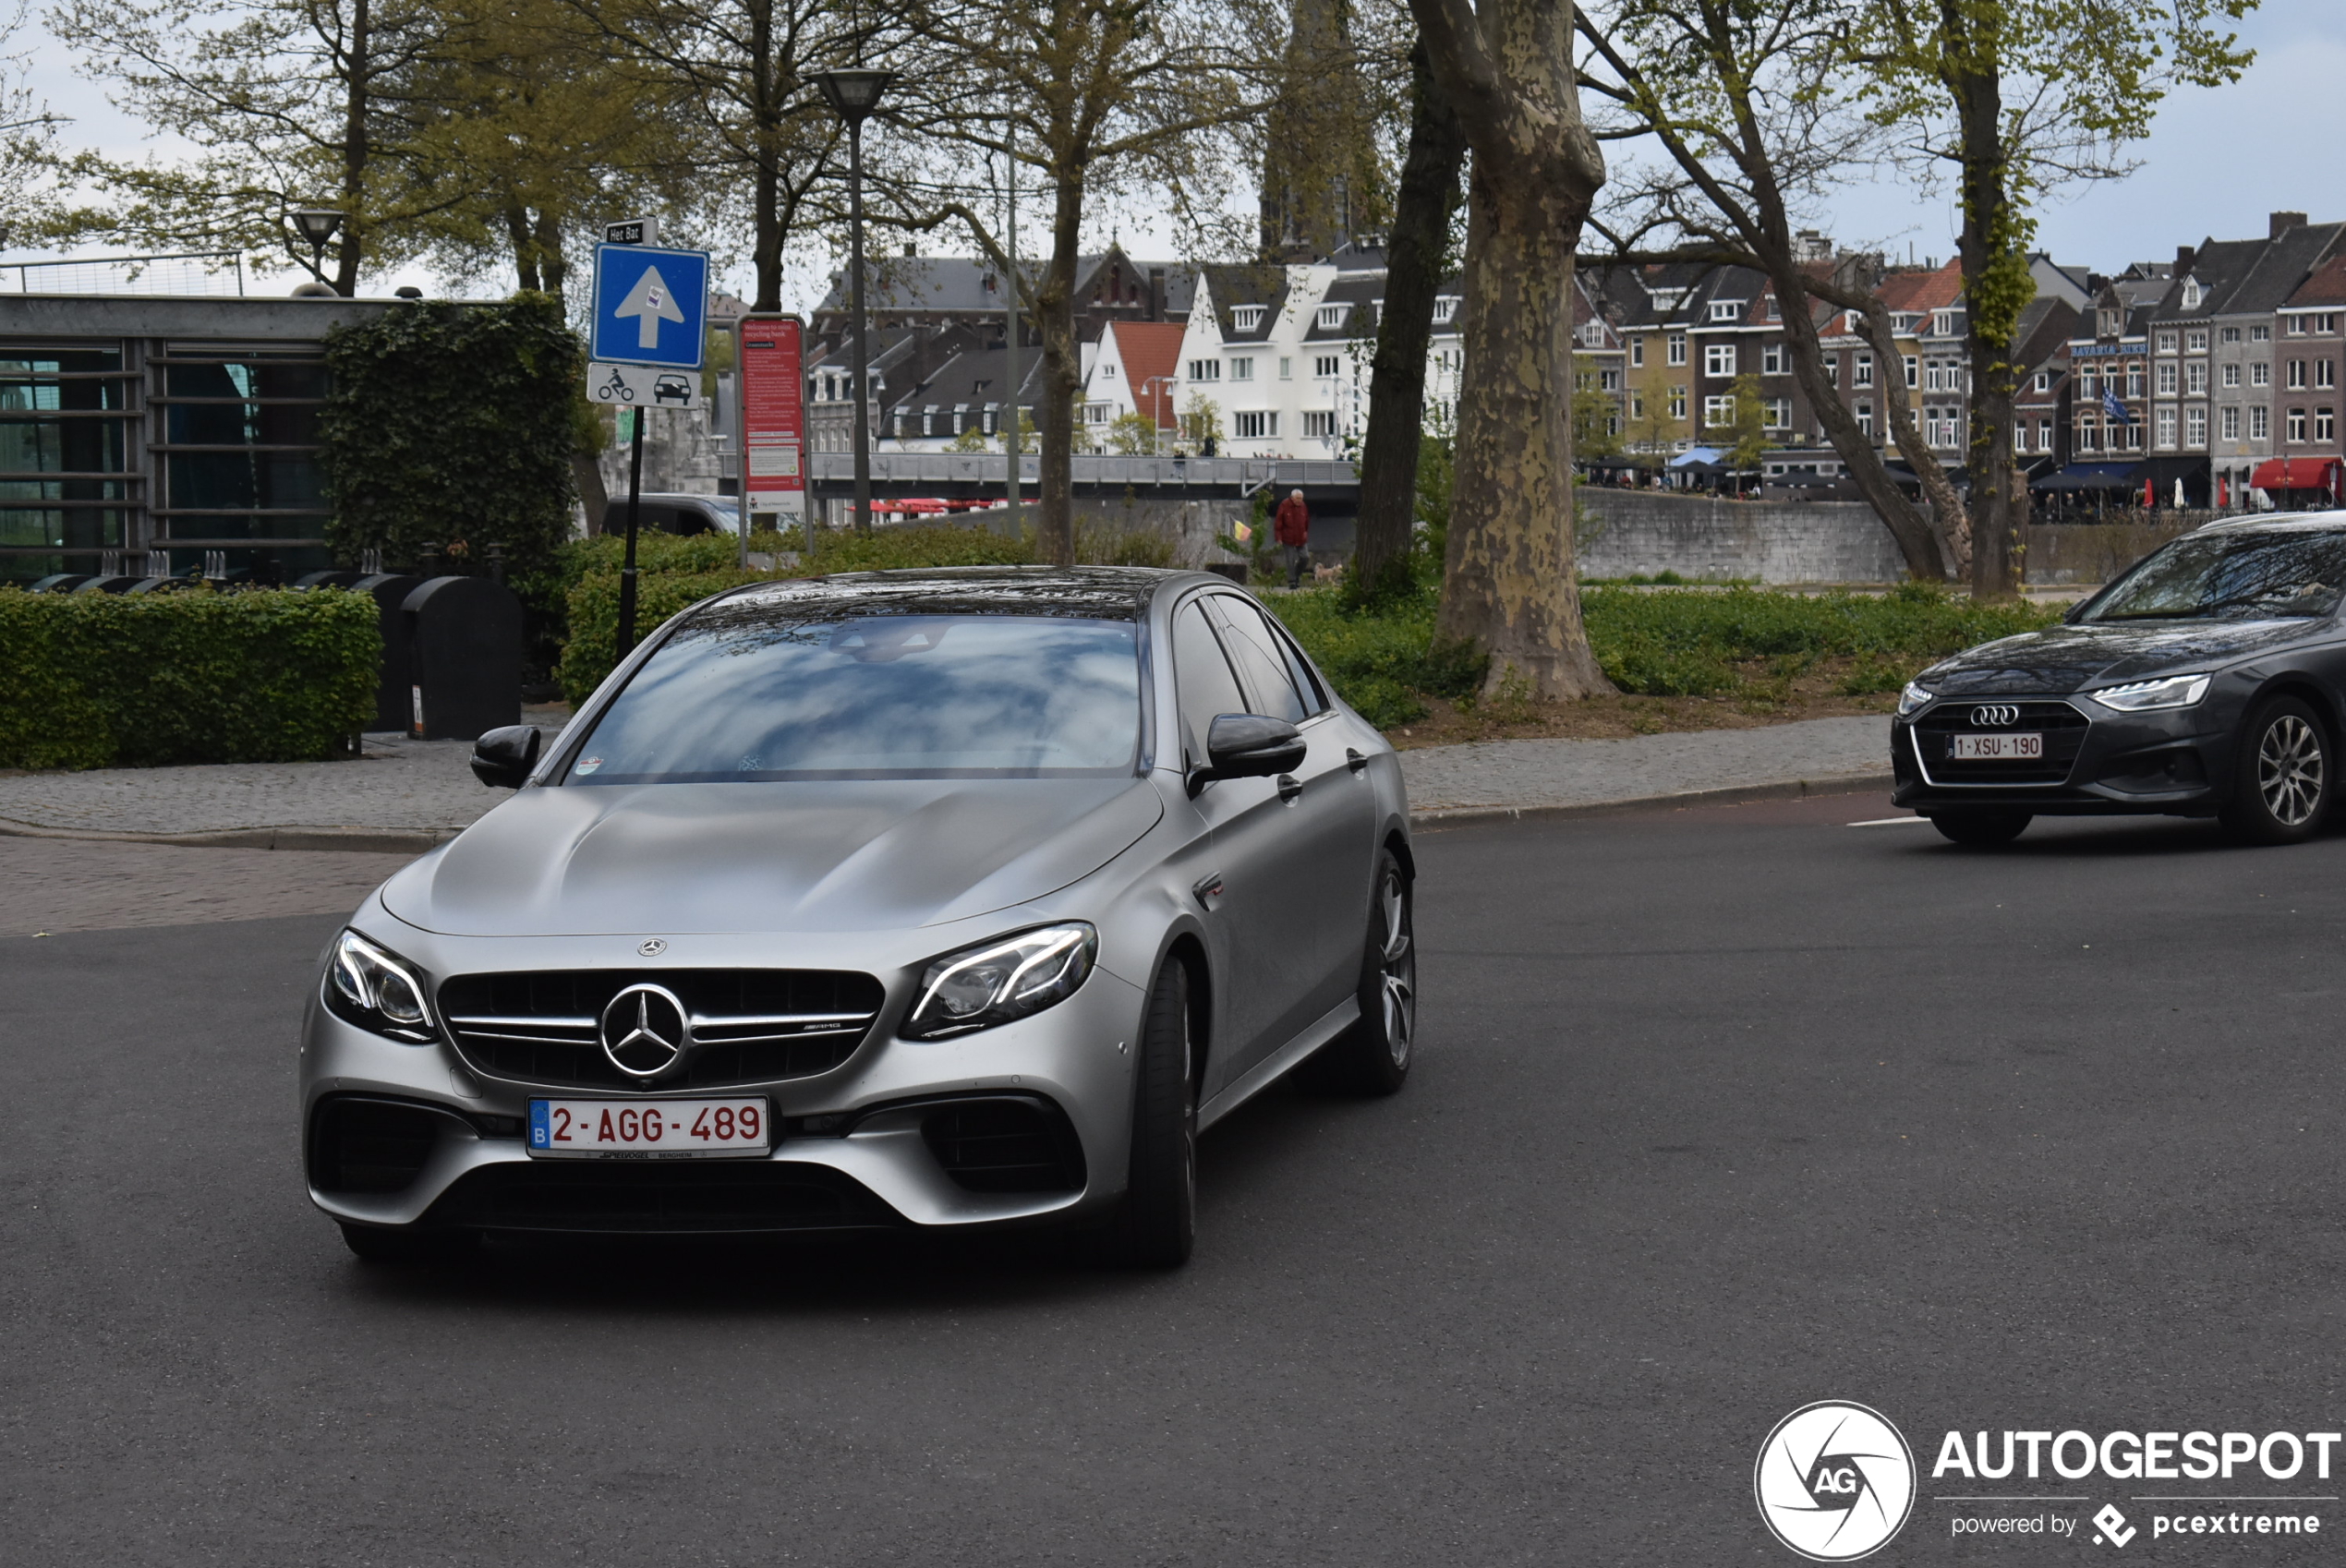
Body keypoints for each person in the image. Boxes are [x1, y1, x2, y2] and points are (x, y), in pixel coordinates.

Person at [1274, 488, 1310, 589]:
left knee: (1305, 557)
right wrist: (1278, 537)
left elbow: (1306, 520)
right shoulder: (1284, 505)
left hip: (1301, 537)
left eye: (1301, 499)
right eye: (1298, 498)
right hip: (1288, 537)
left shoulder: (1303, 506)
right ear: (1292, 497)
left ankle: (1296, 575)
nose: (1299, 500)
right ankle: (1292, 581)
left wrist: (1305, 532)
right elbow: (1278, 522)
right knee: (1290, 560)